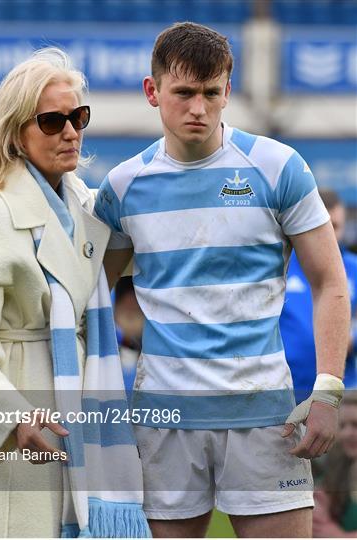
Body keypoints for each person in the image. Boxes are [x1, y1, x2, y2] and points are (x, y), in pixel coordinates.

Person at [94, 22, 350, 538]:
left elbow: (331, 284)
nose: (199, 108)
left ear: (228, 91)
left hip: (265, 418)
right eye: (184, 92)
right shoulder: (123, 187)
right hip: (164, 420)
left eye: (212, 93)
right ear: (153, 92)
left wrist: (327, 393)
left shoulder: (280, 168)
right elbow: (91, 296)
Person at [0, 48, 148, 538]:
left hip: (68, 412)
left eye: (78, 116)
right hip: (9, 417)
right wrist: (14, 419)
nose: (71, 131)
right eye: (52, 121)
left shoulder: (85, 208)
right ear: (16, 133)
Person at [281, 190, 357, 403]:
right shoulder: (283, 265)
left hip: (341, 392)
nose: (331, 235)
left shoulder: (354, 268)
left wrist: (351, 336)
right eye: (325, 226)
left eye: (336, 227)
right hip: (287, 387)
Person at [313, 394, 357, 537]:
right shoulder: (339, 465)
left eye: (356, 425)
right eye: (342, 426)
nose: (346, 433)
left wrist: (341, 537)